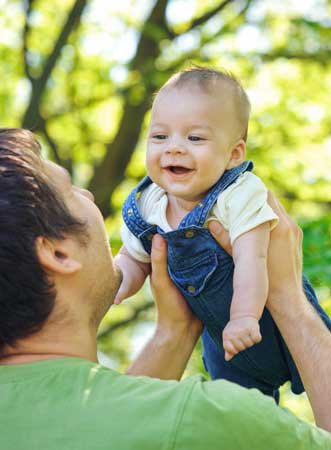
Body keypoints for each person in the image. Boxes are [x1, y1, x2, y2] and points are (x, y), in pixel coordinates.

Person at [0, 128, 330, 450]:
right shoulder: (208, 419)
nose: (87, 195)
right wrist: (290, 300)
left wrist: (175, 332)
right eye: (72, 189)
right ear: (58, 253)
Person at [114, 67, 331, 400]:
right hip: (224, 342)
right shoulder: (149, 205)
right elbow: (133, 259)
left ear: (234, 155)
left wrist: (244, 317)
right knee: (241, 414)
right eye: (160, 137)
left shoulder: (237, 194)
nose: (174, 148)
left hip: (268, 320)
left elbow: (252, 259)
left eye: (195, 138)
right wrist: (113, 286)